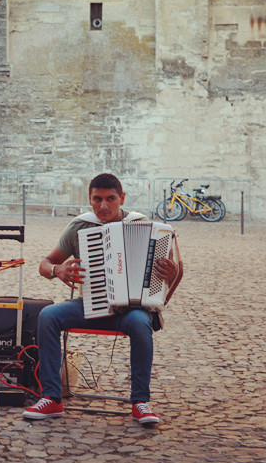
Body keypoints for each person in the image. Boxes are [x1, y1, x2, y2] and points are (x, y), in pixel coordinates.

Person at [22, 173, 181, 425]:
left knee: (141, 324)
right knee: (47, 316)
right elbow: (45, 263)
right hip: (91, 306)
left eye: (110, 199)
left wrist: (173, 273)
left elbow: (170, 275)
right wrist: (57, 270)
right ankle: (52, 398)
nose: (103, 206)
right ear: (89, 199)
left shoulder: (144, 226)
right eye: (97, 199)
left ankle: (140, 402)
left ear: (122, 198)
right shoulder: (79, 227)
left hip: (131, 311)